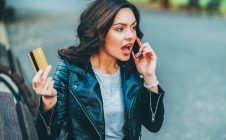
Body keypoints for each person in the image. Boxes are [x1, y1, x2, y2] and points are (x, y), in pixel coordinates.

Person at [33, 0, 165, 139]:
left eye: (133, 27)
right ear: (100, 32)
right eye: (120, 28)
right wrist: (48, 102)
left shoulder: (131, 69)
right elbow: (46, 135)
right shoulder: (71, 69)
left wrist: (149, 76)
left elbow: (154, 125)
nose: (130, 35)